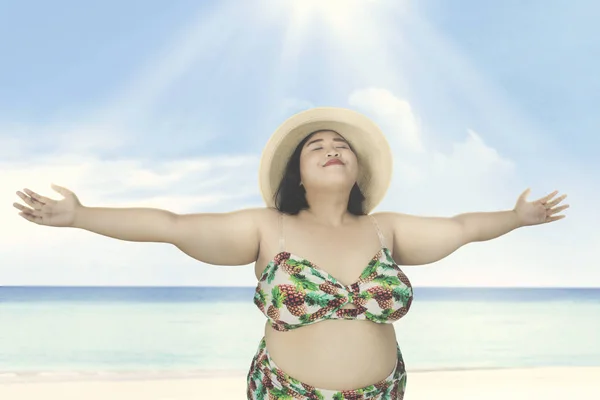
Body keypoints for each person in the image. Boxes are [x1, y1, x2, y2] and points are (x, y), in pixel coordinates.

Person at [13, 107, 569, 399]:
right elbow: (171, 226)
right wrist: (81, 216)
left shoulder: (385, 230)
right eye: (316, 147)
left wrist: (517, 219)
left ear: (357, 171)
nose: (332, 150)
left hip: (383, 393)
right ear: (297, 176)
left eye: (341, 145)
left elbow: (463, 226)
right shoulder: (267, 228)